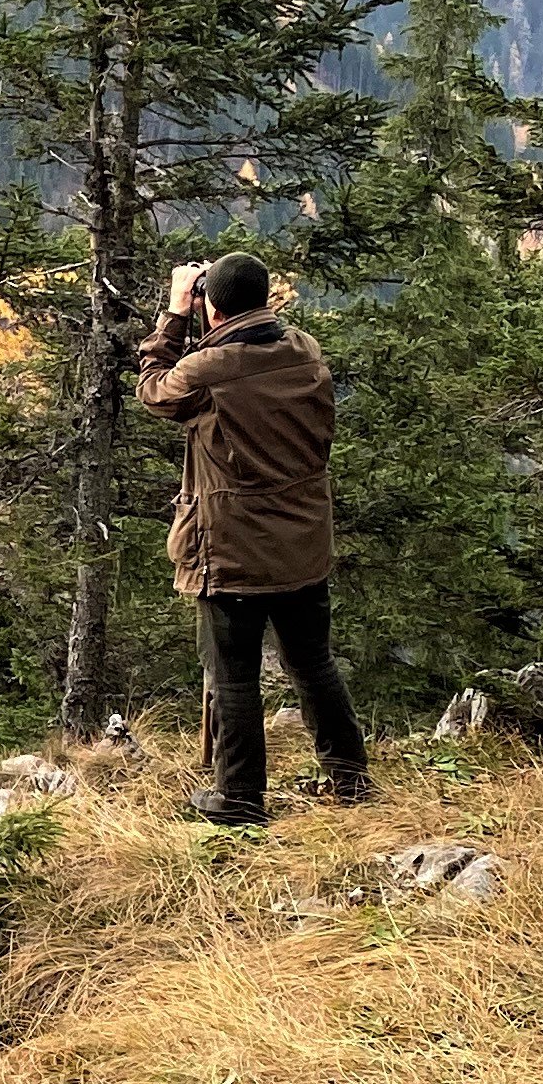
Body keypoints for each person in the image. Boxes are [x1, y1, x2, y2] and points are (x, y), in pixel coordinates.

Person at [135, 249, 372, 828]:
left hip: (232, 547)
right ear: (264, 299)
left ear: (211, 307)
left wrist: (174, 315)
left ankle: (238, 798)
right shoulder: (305, 352)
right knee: (313, 662)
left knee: (232, 673)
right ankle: (350, 778)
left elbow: (153, 391)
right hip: (302, 542)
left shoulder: (208, 371)